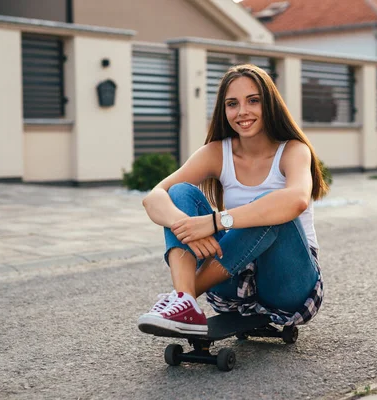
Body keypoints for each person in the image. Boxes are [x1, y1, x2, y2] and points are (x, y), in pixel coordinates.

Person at [137, 64, 329, 336]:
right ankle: (185, 302)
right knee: (179, 192)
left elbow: (296, 200)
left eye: (253, 101)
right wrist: (186, 225)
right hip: (231, 281)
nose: (242, 112)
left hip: (288, 283)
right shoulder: (217, 153)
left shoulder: (293, 151)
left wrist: (217, 221)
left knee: (270, 207)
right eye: (232, 104)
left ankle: (187, 294)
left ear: (270, 104)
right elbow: (154, 197)